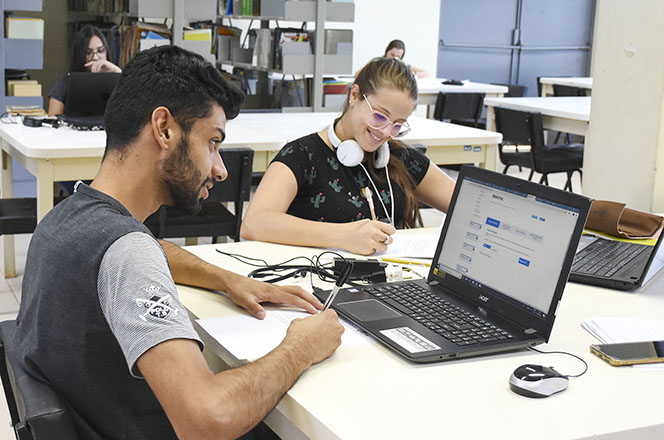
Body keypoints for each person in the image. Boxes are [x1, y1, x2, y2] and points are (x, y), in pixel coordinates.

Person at [15, 45, 344, 439]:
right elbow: (207, 420)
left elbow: (140, 251)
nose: (220, 169)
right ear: (165, 129)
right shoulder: (128, 253)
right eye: (213, 143)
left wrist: (227, 279)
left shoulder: (64, 219)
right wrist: (300, 348)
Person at [241, 57, 455, 256]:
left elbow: (463, 202)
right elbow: (255, 223)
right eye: (379, 116)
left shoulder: (400, 157)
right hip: (317, 281)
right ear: (354, 96)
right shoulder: (303, 156)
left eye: (398, 124)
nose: (385, 132)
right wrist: (344, 236)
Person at [48, 25, 122, 116]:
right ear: (80, 54)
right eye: (88, 52)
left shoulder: (116, 79)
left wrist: (116, 71)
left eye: (100, 51)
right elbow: (53, 121)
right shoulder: (65, 81)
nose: (95, 57)